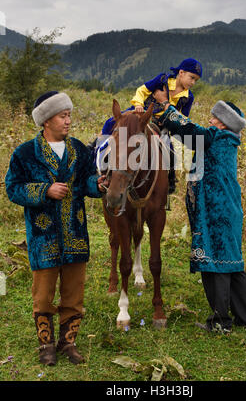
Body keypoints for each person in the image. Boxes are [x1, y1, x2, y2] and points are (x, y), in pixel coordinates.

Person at [5, 91, 107, 366]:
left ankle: (68, 342)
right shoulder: (25, 154)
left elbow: (86, 181)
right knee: (43, 294)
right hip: (43, 236)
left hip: (75, 232)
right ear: (47, 119)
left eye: (69, 115)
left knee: (74, 292)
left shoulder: (78, 149)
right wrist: (44, 190)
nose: (68, 121)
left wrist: (97, 186)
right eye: (63, 116)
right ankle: (46, 345)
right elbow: (12, 189)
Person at [153, 87, 246, 332]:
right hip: (225, 211)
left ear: (223, 123)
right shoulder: (223, 141)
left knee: (216, 264)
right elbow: (191, 137)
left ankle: (221, 323)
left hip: (216, 213)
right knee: (233, 264)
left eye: (213, 117)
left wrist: (167, 108)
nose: (209, 120)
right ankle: (245, 320)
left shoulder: (217, 138)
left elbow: (192, 131)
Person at [93, 58, 202, 193]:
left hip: (161, 123)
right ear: (181, 72)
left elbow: (183, 118)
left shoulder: (188, 97)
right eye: (191, 77)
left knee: (170, 149)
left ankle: (171, 178)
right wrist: (138, 104)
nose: (193, 82)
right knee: (111, 122)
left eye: (196, 80)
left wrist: (170, 118)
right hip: (140, 113)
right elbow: (142, 90)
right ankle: (97, 148)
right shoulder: (163, 79)